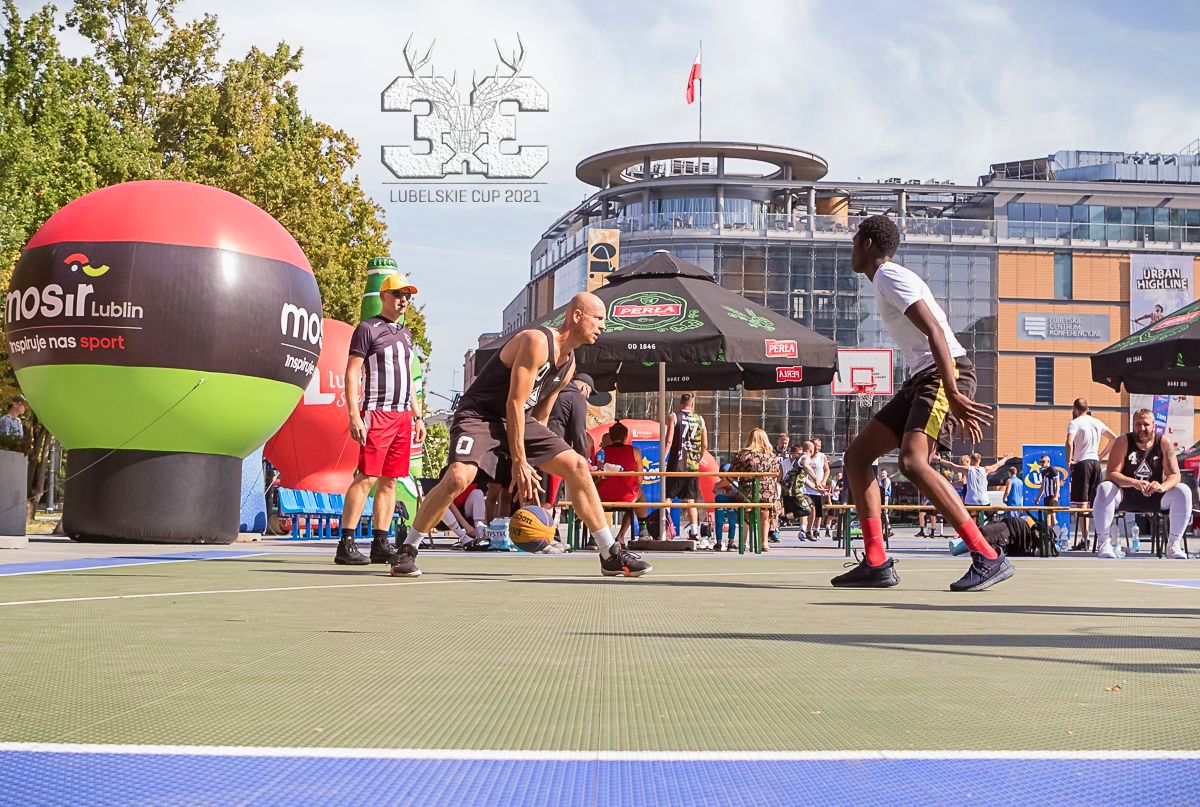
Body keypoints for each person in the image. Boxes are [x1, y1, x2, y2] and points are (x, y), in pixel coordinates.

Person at [395, 292, 651, 578]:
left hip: (518, 420)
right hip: (480, 415)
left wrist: (532, 463)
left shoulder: (569, 366)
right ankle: (407, 549)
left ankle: (609, 553)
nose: (603, 325)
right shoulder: (536, 342)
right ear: (577, 316)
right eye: (598, 318)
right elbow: (515, 402)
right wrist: (518, 462)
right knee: (458, 477)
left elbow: (539, 418)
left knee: (578, 465)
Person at [834, 215, 1010, 591]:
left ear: (867, 244)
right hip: (921, 379)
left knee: (913, 462)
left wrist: (953, 390)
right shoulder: (886, 279)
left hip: (942, 375)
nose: (851, 249)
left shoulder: (888, 275)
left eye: (854, 241)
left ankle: (987, 555)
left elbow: (934, 330)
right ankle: (876, 561)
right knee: (857, 457)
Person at [334, 273, 424, 566]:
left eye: (407, 295)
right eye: (398, 294)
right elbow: (352, 372)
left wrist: (418, 416)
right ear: (383, 296)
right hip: (377, 411)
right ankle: (346, 543)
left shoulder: (406, 334)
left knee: (391, 480)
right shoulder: (367, 329)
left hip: (403, 415)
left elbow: (408, 379)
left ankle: (380, 542)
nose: (403, 300)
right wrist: (353, 414)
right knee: (367, 476)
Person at [1093, 408, 1192, 560]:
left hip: (1156, 496)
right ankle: (1104, 543)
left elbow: (1175, 475)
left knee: (1183, 490)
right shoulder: (1123, 441)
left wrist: (1162, 487)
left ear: (1153, 425)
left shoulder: (1163, 443)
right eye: (1138, 424)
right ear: (1133, 425)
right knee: (1104, 488)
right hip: (1126, 495)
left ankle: (1173, 545)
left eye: (1146, 424)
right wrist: (1135, 483)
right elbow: (1111, 473)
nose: (1142, 428)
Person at [1065, 398, 1117, 550]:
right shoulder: (1096, 422)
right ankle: (1101, 537)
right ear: (1088, 408)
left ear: (1075, 409)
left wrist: (1068, 460)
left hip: (1082, 463)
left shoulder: (1075, 423)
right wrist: (1101, 456)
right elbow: (1114, 438)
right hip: (1095, 463)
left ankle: (1086, 538)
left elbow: (1069, 442)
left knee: (1082, 503)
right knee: (1096, 501)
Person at [545, 372, 598, 516]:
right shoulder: (577, 397)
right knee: (549, 502)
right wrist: (582, 460)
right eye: (588, 393)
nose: (587, 397)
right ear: (584, 388)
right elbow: (579, 433)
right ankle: (544, 529)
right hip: (556, 452)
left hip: (534, 447)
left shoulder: (552, 390)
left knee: (532, 499)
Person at [594, 421, 649, 545]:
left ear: (610, 437)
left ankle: (595, 537)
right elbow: (640, 479)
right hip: (627, 496)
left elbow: (595, 475)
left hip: (602, 496)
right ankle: (641, 530)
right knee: (639, 495)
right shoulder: (635, 451)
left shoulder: (601, 454)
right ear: (625, 437)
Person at [730, 428, 782, 551]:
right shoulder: (772, 456)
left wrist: (718, 486)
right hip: (768, 492)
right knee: (765, 512)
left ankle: (744, 542)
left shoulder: (743, 455)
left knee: (745, 510)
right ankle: (764, 543)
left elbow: (731, 476)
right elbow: (777, 475)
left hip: (748, 492)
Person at [664, 393, 707, 542]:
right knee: (690, 500)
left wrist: (663, 459)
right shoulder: (700, 419)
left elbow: (669, 441)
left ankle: (665, 529)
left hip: (676, 464)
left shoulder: (674, 416)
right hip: (692, 466)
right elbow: (705, 444)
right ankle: (694, 531)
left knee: (667, 498)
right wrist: (698, 458)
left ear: (680, 403)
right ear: (693, 404)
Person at [939, 453, 1012, 507]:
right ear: (979, 460)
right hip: (984, 501)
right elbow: (998, 464)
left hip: (970, 501)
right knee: (988, 515)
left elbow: (952, 465)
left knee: (970, 517)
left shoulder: (967, 469)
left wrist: (939, 460)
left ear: (971, 461)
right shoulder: (985, 469)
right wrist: (1006, 458)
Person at [713, 466, 740, 552]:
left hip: (720, 503)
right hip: (731, 503)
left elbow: (714, 491)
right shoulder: (735, 484)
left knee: (719, 523)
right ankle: (730, 543)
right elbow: (737, 494)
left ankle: (719, 543)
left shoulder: (717, 484)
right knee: (731, 523)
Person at [810, 438, 833, 537]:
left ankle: (817, 529)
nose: (818, 448)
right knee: (810, 509)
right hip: (808, 486)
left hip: (819, 487)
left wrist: (823, 481)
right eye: (816, 445)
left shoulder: (822, 456)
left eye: (819, 446)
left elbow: (827, 470)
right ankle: (807, 529)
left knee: (819, 510)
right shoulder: (806, 456)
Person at [878, 469, 893, 537]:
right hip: (882, 497)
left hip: (885, 497)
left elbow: (884, 490)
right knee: (883, 513)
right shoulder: (882, 480)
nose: (882, 474)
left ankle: (888, 529)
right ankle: (888, 528)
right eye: (881, 473)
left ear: (886, 473)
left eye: (883, 473)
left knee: (885, 513)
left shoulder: (887, 480)